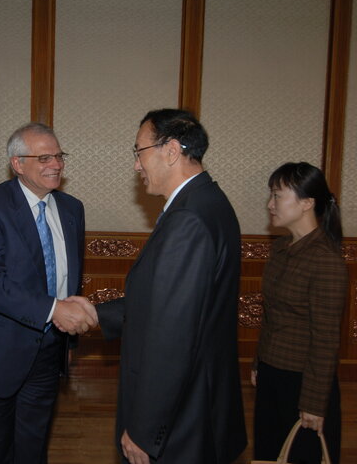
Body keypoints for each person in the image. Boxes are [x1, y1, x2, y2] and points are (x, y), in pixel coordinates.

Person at [96, 109, 247, 464]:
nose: (136, 165)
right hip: (198, 400)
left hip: (182, 416)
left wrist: (145, 430)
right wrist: (95, 313)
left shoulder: (189, 219)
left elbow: (172, 336)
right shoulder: (207, 202)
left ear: (170, 150)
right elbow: (166, 303)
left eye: (139, 151)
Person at [0, 122, 94, 463]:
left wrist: (69, 341)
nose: (57, 164)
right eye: (44, 157)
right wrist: (53, 310)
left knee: (32, 449)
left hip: (48, 352)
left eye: (59, 155)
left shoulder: (72, 208)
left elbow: (69, 280)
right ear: (17, 164)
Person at [251, 162, 347, 464]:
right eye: (271, 195)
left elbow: (326, 340)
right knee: (268, 455)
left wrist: (315, 403)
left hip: (303, 382)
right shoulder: (280, 249)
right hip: (271, 374)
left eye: (278, 196)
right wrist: (259, 363)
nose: (270, 204)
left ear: (307, 203)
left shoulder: (326, 261)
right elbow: (271, 317)